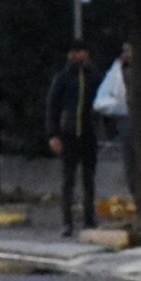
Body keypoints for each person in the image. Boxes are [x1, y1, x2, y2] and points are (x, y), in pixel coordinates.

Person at [45, 39, 97, 236]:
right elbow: (52, 107)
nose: (75, 56)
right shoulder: (63, 78)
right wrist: (53, 134)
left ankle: (89, 219)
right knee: (68, 180)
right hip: (68, 134)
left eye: (79, 52)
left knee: (88, 180)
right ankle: (67, 222)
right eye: (72, 52)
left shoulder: (93, 76)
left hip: (88, 134)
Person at [93, 40, 137, 204]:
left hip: (138, 121)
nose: (126, 54)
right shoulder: (118, 71)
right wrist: (120, 106)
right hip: (127, 119)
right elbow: (101, 101)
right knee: (130, 161)